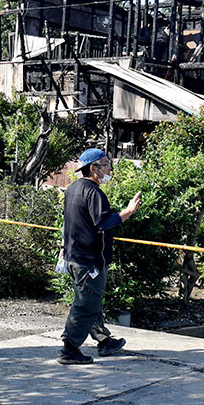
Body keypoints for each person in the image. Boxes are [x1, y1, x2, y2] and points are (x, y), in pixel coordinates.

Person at [58, 148, 141, 365]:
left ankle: (104, 341)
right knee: (86, 305)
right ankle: (69, 348)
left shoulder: (72, 189)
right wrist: (128, 212)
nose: (108, 168)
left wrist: (63, 247)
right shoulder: (93, 192)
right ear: (93, 168)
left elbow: (68, 223)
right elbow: (103, 222)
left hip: (74, 257)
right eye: (105, 164)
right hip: (89, 260)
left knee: (92, 300)